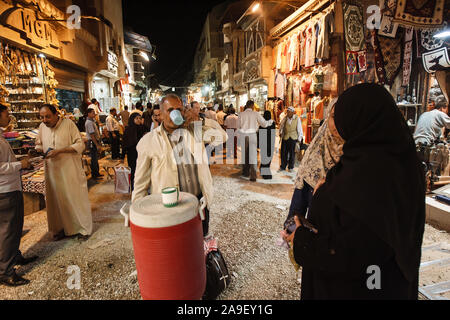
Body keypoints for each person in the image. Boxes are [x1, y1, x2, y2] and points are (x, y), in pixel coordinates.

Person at [286, 83, 425, 300]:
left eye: (340, 116)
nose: (336, 124)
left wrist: (301, 239)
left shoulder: (366, 176)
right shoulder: (402, 164)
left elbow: (351, 254)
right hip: (389, 284)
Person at [132, 94, 227, 236]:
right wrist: (138, 219)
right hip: (169, 210)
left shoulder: (195, 131)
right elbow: (140, 184)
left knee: (200, 240)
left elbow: (222, 137)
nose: (174, 114)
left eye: (178, 109)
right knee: (175, 248)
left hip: (199, 203)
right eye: (170, 110)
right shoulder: (148, 141)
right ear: (160, 115)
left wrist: (199, 119)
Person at [34, 104, 93, 241]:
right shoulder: (42, 127)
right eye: (42, 117)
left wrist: (60, 151)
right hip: (52, 171)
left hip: (69, 169)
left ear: (56, 114)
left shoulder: (69, 124)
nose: (45, 120)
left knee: (75, 198)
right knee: (57, 200)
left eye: (48, 116)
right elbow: (39, 143)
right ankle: (62, 229)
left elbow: (80, 144)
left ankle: (82, 229)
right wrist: (37, 149)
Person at [0, 104, 38, 287]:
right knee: (8, 231)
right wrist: (19, 165)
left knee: (14, 227)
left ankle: (15, 257)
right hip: (4, 191)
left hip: (11, 188)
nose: (9, 117)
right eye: (6, 114)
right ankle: (5, 272)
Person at [238, 100, 274, 181]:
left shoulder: (241, 114)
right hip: (253, 135)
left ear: (246, 105)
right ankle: (253, 176)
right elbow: (264, 124)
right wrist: (270, 122)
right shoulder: (255, 114)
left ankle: (246, 172)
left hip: (244, 135)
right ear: (252, 106)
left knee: (245, 155)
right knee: (253, 156)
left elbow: (238, 127)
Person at [124, 113, 146, 191]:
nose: (139, 120)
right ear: (132, 119)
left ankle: (140, 189)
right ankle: (134, 190)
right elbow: (126, 143)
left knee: (141, 171)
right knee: (133, 171)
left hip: (141, 154)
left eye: (140, 118)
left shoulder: (141, 128)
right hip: (132, 154)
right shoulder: (128, 129)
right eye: (136, 118)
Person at [279, 107, 304, 173]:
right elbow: (281, 126)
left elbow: (299, 129)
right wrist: (280, 133)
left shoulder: (297, 118)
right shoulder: (285, 118)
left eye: (289, 112)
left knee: (292, 153)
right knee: (284, 153)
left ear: (293, 112)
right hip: (285, 137)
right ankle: (283, 166)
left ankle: (291, 167)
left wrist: (299, 139)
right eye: (287, 112)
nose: (288, 113)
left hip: (293, 137)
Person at [85, 108, 104, 180]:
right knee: (94, 158)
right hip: (92, 142)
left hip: (94, 141)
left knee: (96, 158)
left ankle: (97, 173)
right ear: (88, 114)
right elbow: (92, 135)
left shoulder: (92, 121)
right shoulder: (89, 122)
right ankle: (95, 175)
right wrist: (96, 144)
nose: (94, 114)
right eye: (92, 113)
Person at [259, 111, 276, 179]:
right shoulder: (272, 123)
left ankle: (263, 169)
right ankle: (265, 172)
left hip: (265, 143)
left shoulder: (262, 124)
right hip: (269, 142)